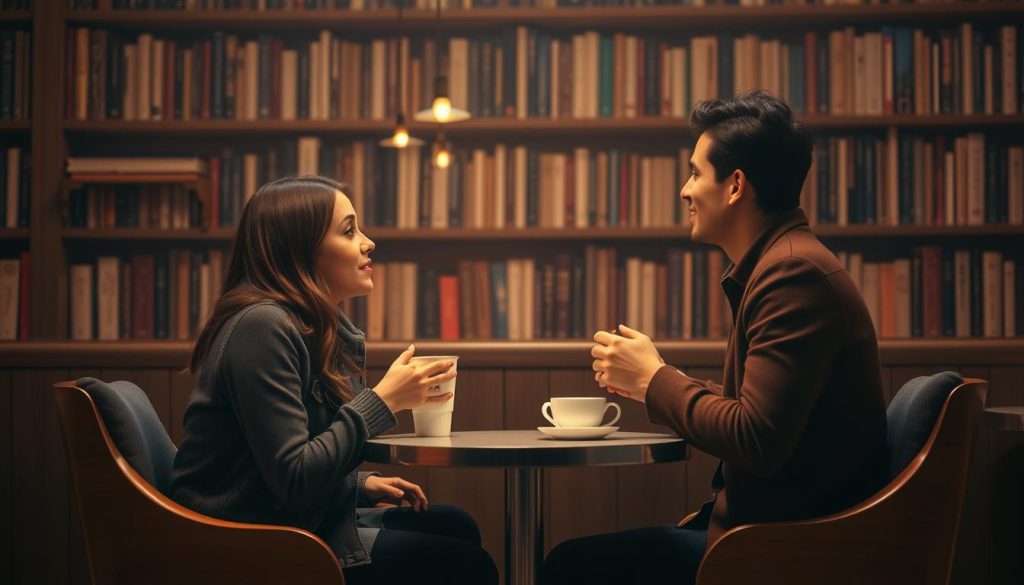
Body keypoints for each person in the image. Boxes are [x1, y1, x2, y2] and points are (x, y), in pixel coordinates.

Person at [543, 91, 888, 584]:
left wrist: (654, 379)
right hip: (774, 534)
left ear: (735, 186)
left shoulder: (793, 274)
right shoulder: (784, 263)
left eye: (695, 173)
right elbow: (761, 417)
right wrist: (656, 379)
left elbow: (755, 437)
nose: (685, 191)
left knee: (568, 566)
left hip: (786, 549)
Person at [172, 176, 498, 585]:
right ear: (300, 250)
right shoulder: (262, 326)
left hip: (287, 516)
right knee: (468, 565)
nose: (368, 243)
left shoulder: (310, 327)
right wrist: (383, 401)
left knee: (455, 524)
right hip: (250, 539)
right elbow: (293, 478)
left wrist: (360, 485)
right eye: (349, 231)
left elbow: (273, 467)